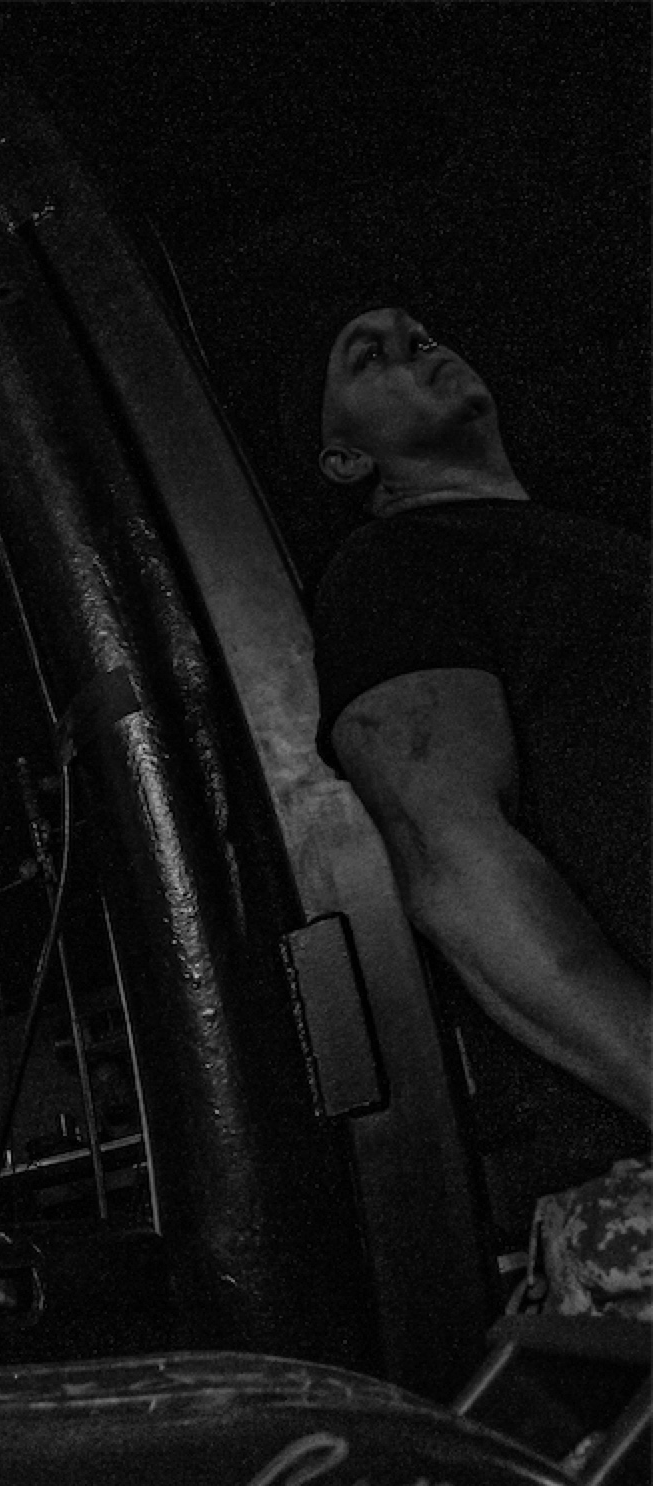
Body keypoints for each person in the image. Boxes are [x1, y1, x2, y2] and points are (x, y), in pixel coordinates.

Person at [308, 305, 650, 1268]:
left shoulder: (595, 545)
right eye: (369, 355)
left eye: (419, 337)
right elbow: (455, 858)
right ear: (346, 459)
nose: (415, 350)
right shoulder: (395, 569)